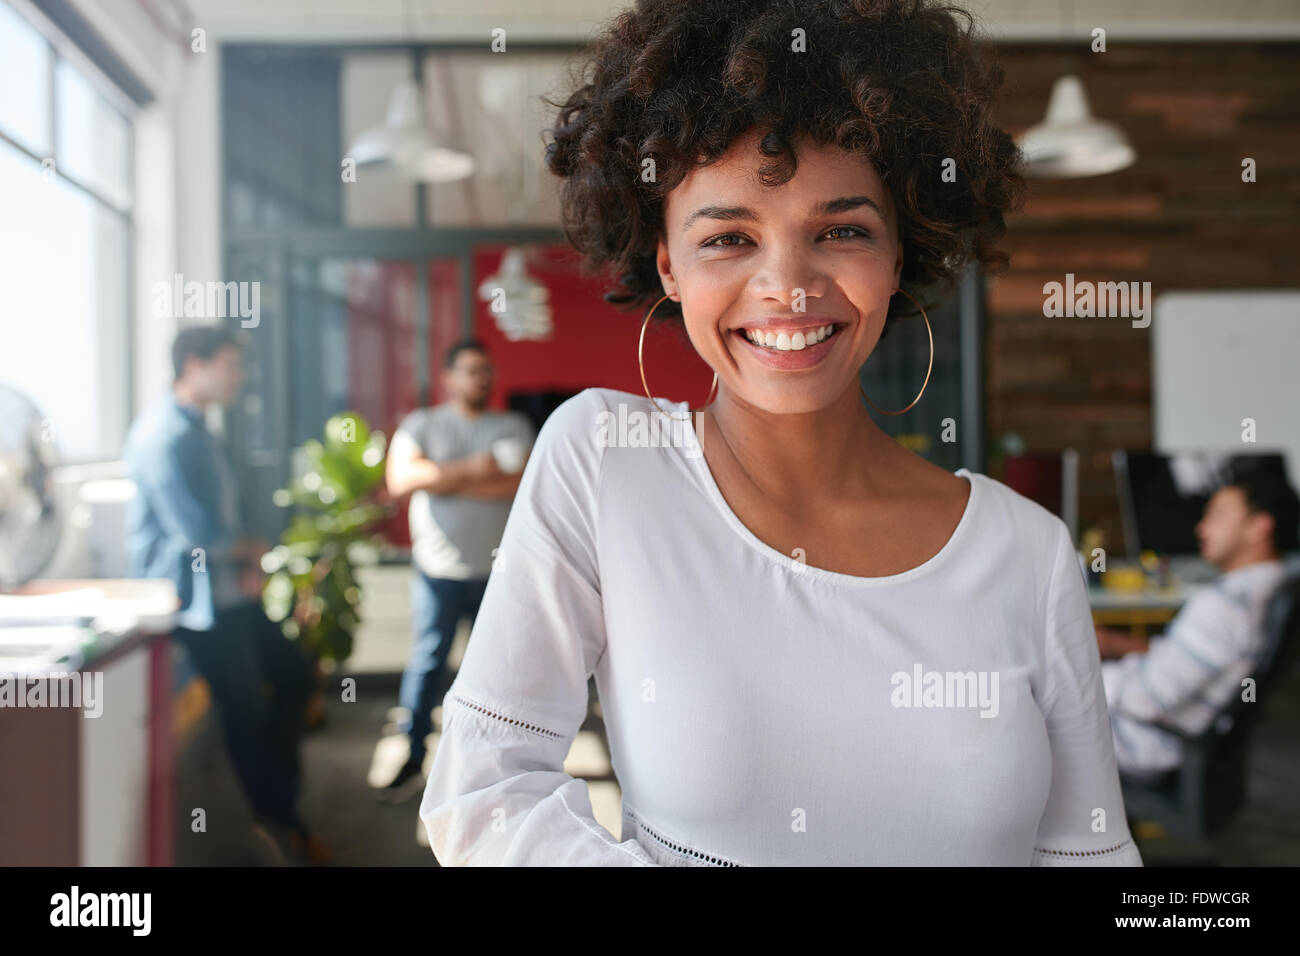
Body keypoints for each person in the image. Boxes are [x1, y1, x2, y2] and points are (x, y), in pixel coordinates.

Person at [419, 0, 1142, 865]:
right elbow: (483, 788)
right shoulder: (607, 464)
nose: (789, 287)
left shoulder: (1027, 551)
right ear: (668, 265)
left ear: (901, 251)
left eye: (842, 230)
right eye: (728, 237)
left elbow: (1090, 858)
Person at [123, 325, 324, 864]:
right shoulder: (163, 434)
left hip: (230, 591)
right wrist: (248, 552)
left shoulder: (201, 428)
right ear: (194, 364)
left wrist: (249, 555)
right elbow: (193, 533)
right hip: (195, 603)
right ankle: (275, 822)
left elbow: (226, 514)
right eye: (231, 365)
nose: (240, 377)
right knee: (246, 714)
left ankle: (278, 806)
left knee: (294, 673)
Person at [374, 340, 535, 803]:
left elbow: (520, 484)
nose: (480, 379)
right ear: (448, 377)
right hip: (437, 573)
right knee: (427, 665)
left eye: (486, 371)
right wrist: (475, 469)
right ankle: (411, 755)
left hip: (497, 576)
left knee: (501, 674)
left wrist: (444, 480)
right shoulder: (422, 424)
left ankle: (495, 772)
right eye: (470, 371)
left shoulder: (512, 425)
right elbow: (401, 480)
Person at [1096, 468, 1298, 776]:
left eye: (1217, 515)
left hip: (1143, 740)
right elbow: (1191, 660)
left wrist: (1077, 678)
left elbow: (1143, 699)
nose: (1202, 528)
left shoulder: (1223, 607)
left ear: (1259, 526)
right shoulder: (1273, 588)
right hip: (1184, 734)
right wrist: (1114, 644)